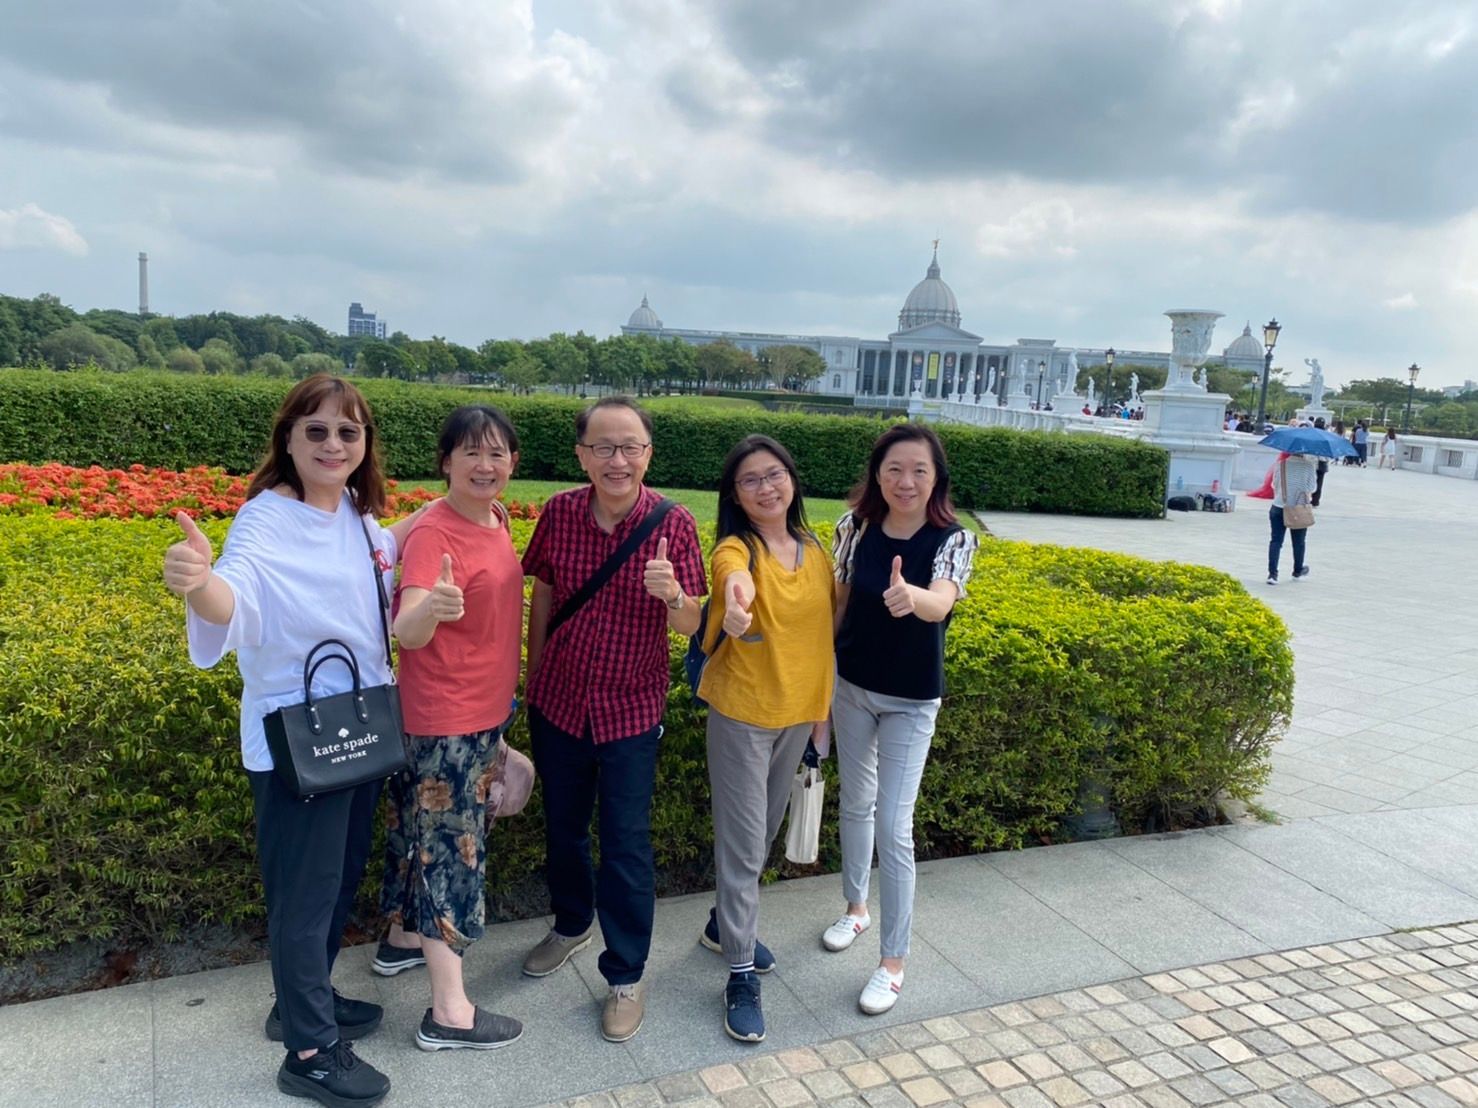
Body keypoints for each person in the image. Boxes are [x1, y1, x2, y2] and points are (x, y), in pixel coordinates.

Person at [162, 375, 425, 1107]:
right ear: (288, 438)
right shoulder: (265, 519)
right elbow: (235, 597)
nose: (333, 444)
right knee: (304, 897)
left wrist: (450, 507)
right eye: (316, 430)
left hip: (358, 727)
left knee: (337, 879)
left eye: (348, 431)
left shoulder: (355, 515)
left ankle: (299, 1002)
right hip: (297, 739)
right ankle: (309, 1052)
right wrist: (198, 581)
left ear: (364, 443)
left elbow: (383, 555)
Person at [519, 397, 706, 1042]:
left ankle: (626, 974)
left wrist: (673, 594)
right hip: (560, 703)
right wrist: (533, 677)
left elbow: (693, 623)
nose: (617, 459)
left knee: (625, 843)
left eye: (630, 447)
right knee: (564, 827)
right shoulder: (560, 513)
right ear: (582, 455)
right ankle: (572, 924)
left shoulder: (673, 523)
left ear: (648, 454)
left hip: (630, 710)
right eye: (603, 446)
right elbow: (544, 592)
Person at [375, 406, 525, 1052]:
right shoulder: (435, 534)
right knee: (451, 852)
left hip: (480, 715)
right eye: (470, 453)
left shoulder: (496, 518)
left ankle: (401, 941)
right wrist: (431, 608)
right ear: (446, 462)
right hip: (444, 722)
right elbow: (406, 629)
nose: (485, 465)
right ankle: (449, 1013)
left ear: (512, 462)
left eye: (497, 453)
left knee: (418, 837)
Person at [823, 424, 978, 1015]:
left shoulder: (953, 538)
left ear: (936, 478)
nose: (905, 481)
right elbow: (838, 606)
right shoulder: (855, 528)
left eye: (919, 470)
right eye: (894, 469)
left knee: (893, 826)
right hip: (851, 687)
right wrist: (819, 678)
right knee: (855, 803)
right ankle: (856, 909)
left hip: (911, 700)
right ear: (877, 474)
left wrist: (914, 598)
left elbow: (942, 600)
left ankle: (893, 963)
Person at [696, 435, 834, 1043]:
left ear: (792, 479)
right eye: (750, 480)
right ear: (735, 495)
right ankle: (740, 971)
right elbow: (732, 579)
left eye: (774, 474)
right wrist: (735, 601)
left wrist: (821, 717)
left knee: (765, 832)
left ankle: (721, 924)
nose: (766, 487)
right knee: (745, 845)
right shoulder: (737, 548)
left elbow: (823, 640)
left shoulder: (815, 551)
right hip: (743, 715)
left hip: (796, 716)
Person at [1268, 449, 1317, 585]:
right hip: (1298, 508)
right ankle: (1297, 571)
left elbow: (1274, 485)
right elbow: (1312, 488)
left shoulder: (1281, 464)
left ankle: (1272, 574)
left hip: (1279, 506)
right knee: (1299, 542)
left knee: (1276, 541)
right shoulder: (1309, 466)